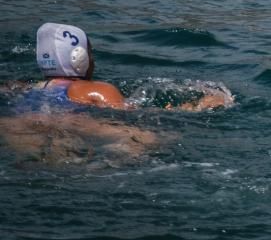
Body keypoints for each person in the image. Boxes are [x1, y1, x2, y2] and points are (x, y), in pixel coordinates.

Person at [1, 23, 232, 166]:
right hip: (72, 122)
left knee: (44, 162)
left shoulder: (24, 88)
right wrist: (195, 108)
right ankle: (103, 167)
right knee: (149, 138)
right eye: (90, 53)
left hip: (16, 125)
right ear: (78, 57)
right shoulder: (96, 90)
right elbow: (128, 116)